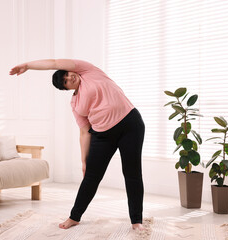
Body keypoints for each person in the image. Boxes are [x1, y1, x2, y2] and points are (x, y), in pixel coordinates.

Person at [9, 59, 145, 230]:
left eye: (66, 74)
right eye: (65, 81)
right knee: (91, 177)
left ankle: (136, 221)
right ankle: (74, 217)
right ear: (66, 89)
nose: (69, 78)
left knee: (132, 173)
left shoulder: (89, 71)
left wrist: (28, 66)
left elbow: (54, 63)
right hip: (103, 135)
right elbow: (84, 132)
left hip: (130, 126)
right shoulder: (75, 103)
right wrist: (84, 160)